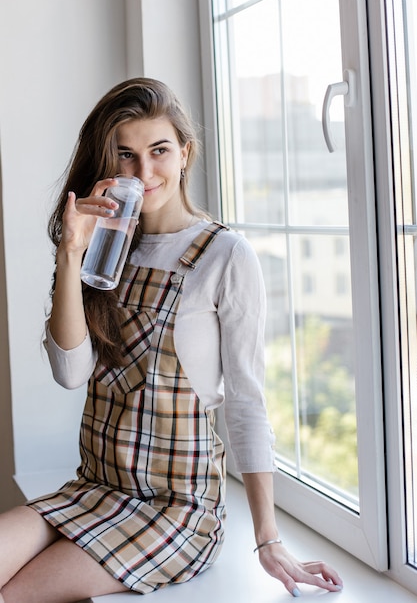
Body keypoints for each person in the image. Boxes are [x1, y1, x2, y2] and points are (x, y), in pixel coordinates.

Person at [0, 78, 343, 602]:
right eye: (126, 155)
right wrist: (71, 253)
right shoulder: (106, 247)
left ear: (184, 153)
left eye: (159, 151)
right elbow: (71, 373)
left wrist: (268, 539)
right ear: (109, 164)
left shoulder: (224, 256)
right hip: (96, 488)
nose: (144, 172)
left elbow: (247, 404)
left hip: (177, 510)